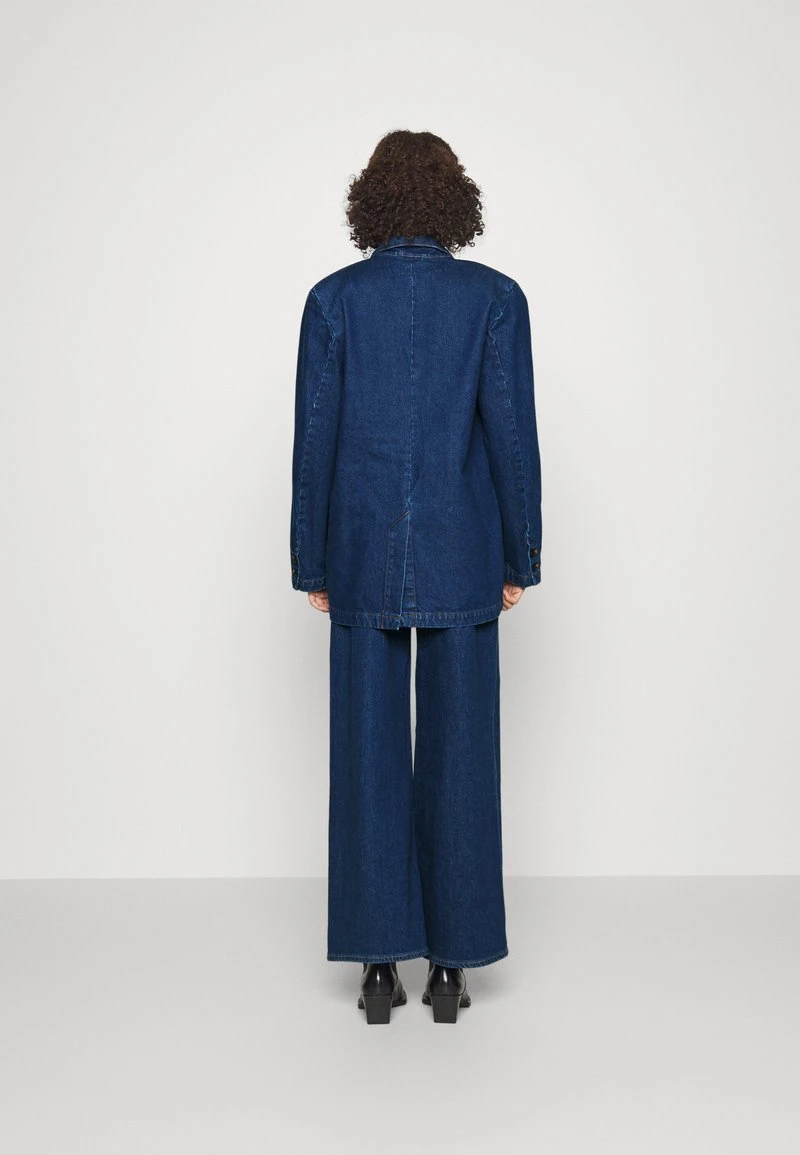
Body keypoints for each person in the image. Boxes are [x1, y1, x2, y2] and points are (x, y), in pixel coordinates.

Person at [289, 129, 542, 1024]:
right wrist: (520, 554)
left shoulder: (332, 300)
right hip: (463, 547)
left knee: (364, 754)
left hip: (359, 548)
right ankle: (449, 968)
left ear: (374, 200)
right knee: (462, 754)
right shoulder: (495, 298)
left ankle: (374, 967)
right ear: (451, 200)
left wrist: (314, 560)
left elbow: (313, 440)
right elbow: (511, 437)